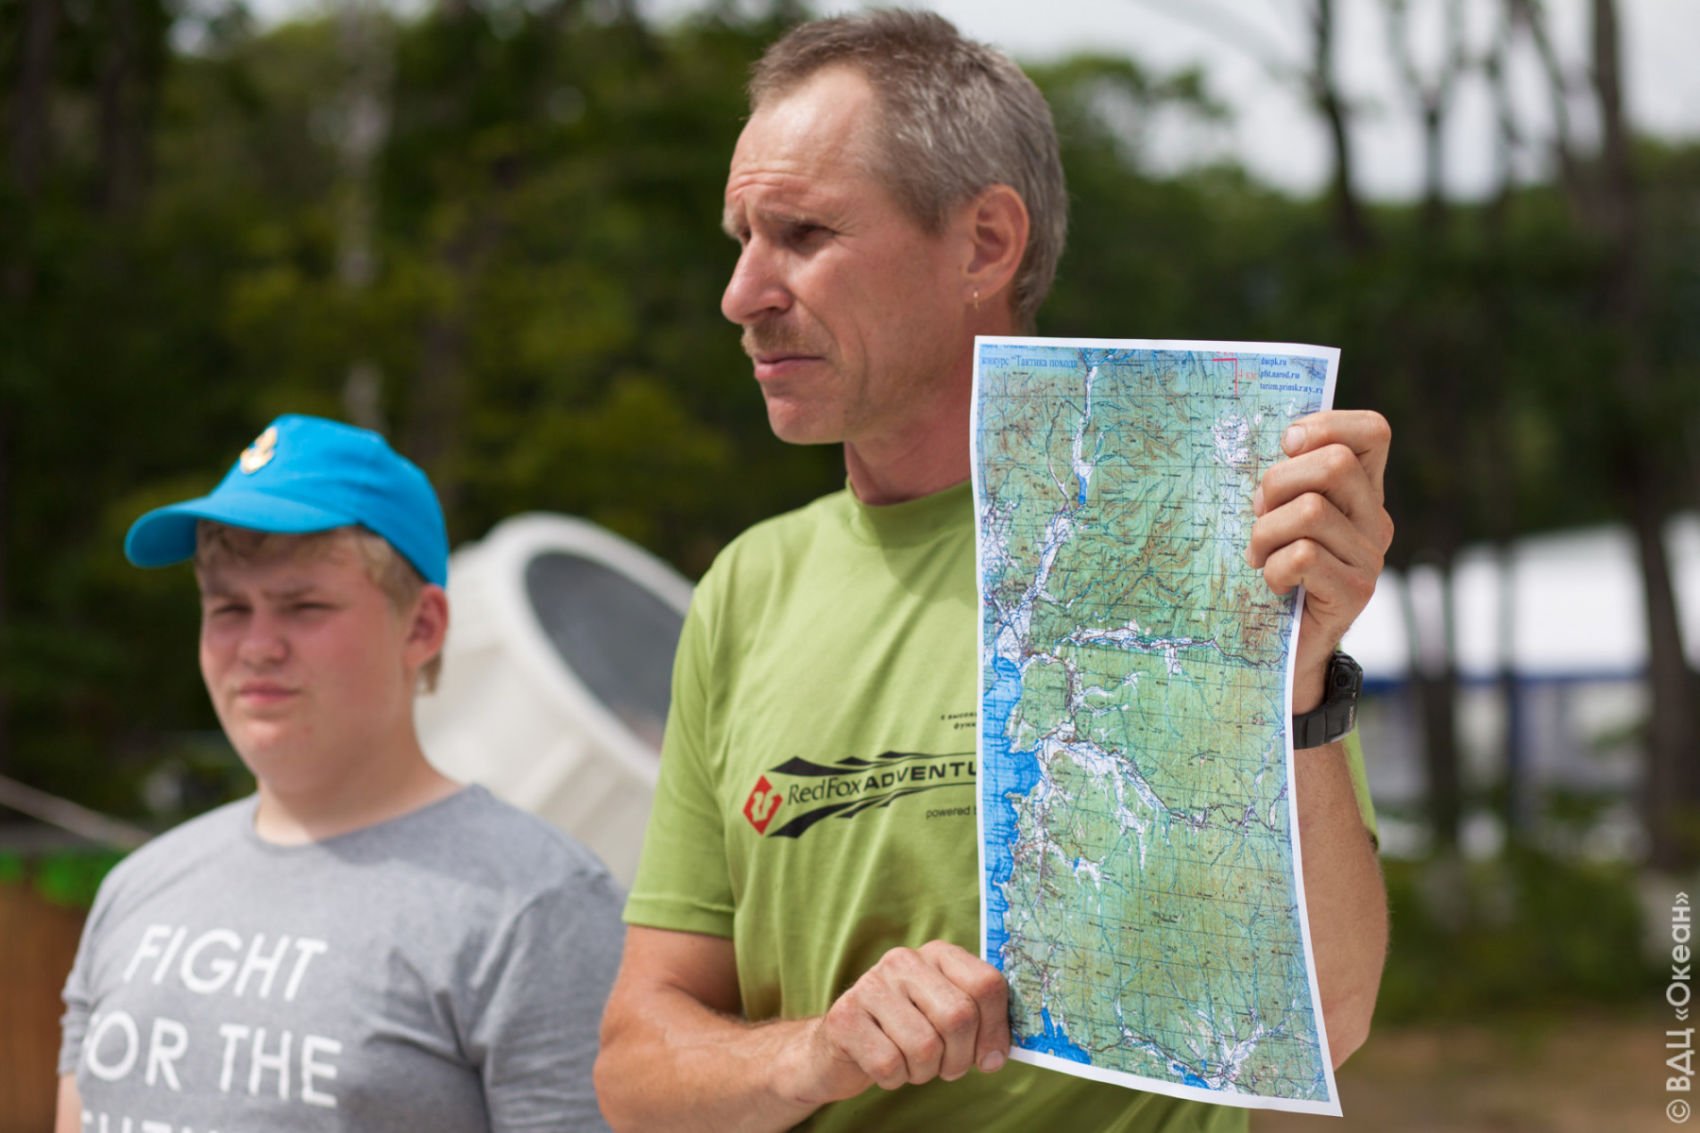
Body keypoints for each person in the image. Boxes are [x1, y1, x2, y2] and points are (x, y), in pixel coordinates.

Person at [594, 10, 1392, 1133]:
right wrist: (813, 1053)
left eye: (802, 233)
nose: (742, 293)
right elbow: (634, 1070)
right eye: (742, 238)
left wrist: (1297, 688)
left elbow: (1329, 1018)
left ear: (983, 244)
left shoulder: (1183, 543)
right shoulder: (747, 585)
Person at [57, 414, 623, 1132]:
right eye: (228, 607)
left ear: (422, 626)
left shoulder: (538, 905)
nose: (257, 646)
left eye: (304, 606)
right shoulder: (137, 888)